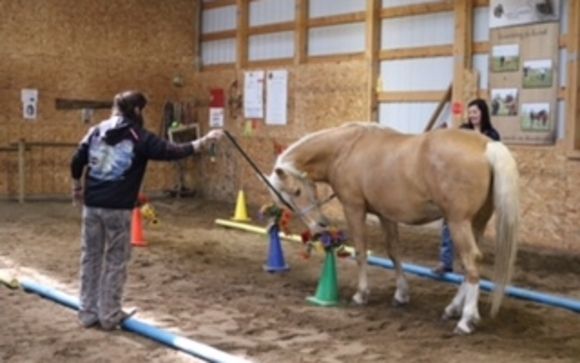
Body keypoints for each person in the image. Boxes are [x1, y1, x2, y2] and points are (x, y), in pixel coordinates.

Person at [70, 90, 223, 329]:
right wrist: (203, 142)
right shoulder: (138, 136)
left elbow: (77, 159)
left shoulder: (95, 130)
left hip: (92, 207)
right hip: (118, 209)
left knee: (90, 258)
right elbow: (171, 151)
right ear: (138, 110)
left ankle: (87, 312)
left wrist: (77, 187)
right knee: (116, 260)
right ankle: (109, 314)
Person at [433, 98, 501, 274]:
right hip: (460, 186)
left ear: (483, 113)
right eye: (470, 113)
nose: (472, 116)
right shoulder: (463, 131)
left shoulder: (492, 135)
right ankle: (446, 261)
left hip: (478, 186)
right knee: (450, 222)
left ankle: (468, 262)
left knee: (473, 225)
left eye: (475, 112)